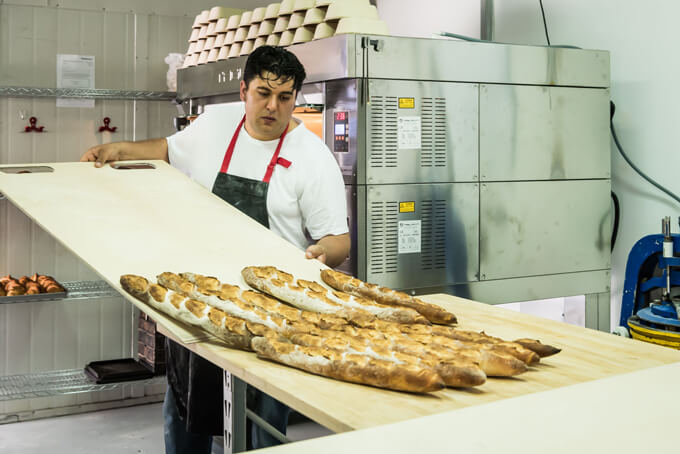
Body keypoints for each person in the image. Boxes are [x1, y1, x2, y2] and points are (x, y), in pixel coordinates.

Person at [81, 45, 350, 453]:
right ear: (243, 90)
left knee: (262, 417)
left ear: (296, 97)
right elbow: (169, 149)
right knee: (186, 408)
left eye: (285, 97)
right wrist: (119, 149)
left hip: (269, 308)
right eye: (263, 93)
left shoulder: (314, 159)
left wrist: (320, 254)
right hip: (201, 296)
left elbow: (338, 240)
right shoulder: (216, 124)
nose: (272, 107)